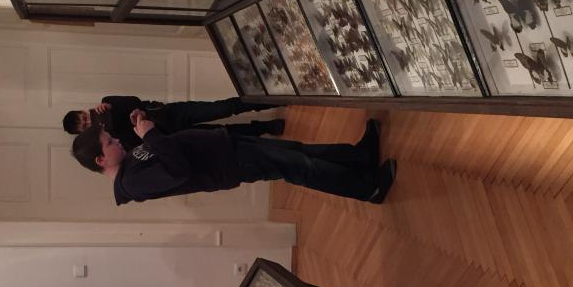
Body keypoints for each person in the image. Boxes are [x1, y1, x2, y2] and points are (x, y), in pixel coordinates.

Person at [71, 116, 395, 206]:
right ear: (101, 160)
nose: (117, 141)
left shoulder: (130, 163)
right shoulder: (132, 183)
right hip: (229, 163)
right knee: (299, 167)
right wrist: (151, 135)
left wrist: (146, 128)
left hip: (224, 146)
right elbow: (177, 169)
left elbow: (167, 148)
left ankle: (359, 156)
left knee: (299, 152)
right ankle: (366, 189)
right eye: (110, 143)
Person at [63, 95, 282, 151]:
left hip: (171, 114)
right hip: (170, 137)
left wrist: (112, 107)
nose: (87, 120)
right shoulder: (108, 140)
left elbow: (135, 101)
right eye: (83, 125)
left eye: (83, 116)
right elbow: (136, 145)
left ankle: (270, 99)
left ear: (83, 110)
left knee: (222, 107)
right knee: (223, 134)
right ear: (84, 132)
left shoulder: (107, 101)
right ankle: (266, 127)